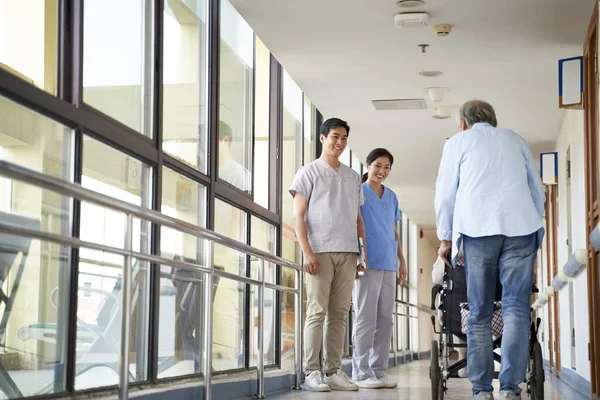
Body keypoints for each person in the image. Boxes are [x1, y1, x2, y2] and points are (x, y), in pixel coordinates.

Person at [435, 100, 545, 400]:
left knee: (480, 312)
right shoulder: (515, 139)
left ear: (462, 123)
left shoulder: (458, 142)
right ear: (493, 120)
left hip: (478, 228)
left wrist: (445, 238)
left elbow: (446, 193)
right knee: (517, 310)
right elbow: (537, 188)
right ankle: (510, 388)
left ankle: (482, 391)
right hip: (521, 228)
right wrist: (537, 227)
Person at [290, 117, 366, 392]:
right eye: (335, 136)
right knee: (317, 311)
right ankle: (311, 371)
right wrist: (307, 252)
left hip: (348, 252)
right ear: (323, 138)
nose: (340, 142)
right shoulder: (308, 172)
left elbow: (358, 219)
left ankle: (333, 370)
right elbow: (298, 215)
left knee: (340, 313)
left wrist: (362, 253)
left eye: (344, 137)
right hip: (319, 251)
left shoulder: (352, 176)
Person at [351, 148, 406, 389]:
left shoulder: (392, 196)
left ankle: (379, 370)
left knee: (385, 318)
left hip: (389, 263)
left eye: (386, 168)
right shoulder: (357, 192)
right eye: (377, 166)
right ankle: (361, 372)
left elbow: (393, 230)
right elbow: (353, 223)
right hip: (368, 261)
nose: (382, 171)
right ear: (367, 165)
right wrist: (357, 255)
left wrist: (402, 259)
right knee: (366, 317)